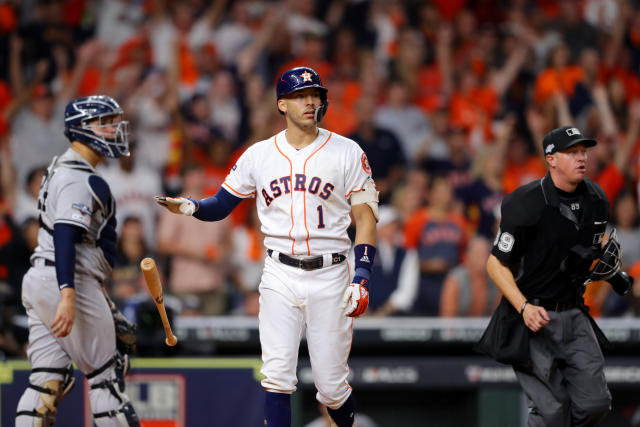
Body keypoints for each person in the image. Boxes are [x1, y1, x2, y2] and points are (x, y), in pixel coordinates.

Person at [156, 66, 378, 427]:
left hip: (332, 272)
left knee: (332, 388)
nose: (310, 102)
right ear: (281, 105)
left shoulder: (348, 151)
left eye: (315, 95)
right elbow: (223, 204)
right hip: (280, 272)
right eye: (300, 96)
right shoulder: (259, 155)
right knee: (276, 376)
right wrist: (193, 207)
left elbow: (366, 219)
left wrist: (363, 276)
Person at [477, 125, 633, 426]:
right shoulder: (524, 203)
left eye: (583, 151)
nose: (581, 157)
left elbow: (593, 250)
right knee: (551, 414)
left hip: (574, 313)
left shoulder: (597, 198)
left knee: (596, 404)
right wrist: (523, 307)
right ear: (551, 158)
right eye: (572, 152)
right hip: (532, 314)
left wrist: (614, 275)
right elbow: (496, 264)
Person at [16, 95, 140, 426]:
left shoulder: (61, 166)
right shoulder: (80, 178)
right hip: (66, 280)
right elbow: (65, 235)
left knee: (45, 382)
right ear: (82, 129)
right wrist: (70, 294)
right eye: (105, 123)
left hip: (41, 280)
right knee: (107, 376)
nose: (114, 130)